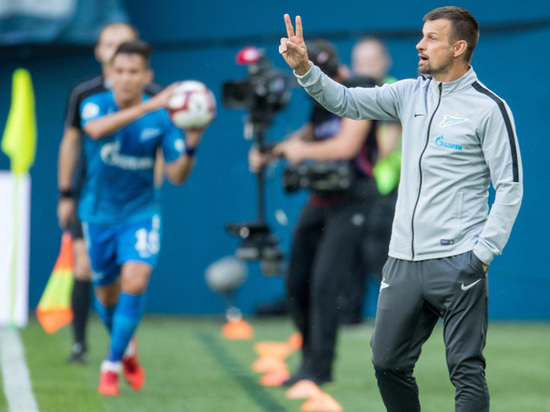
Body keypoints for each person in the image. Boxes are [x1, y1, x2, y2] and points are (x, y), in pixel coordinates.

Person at [279, 7, 522, 411]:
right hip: (403, 262)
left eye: (431, 38)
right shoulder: (409, 93)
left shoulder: (489, 108)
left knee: (465, 370)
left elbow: (510, 187)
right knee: (387, 363)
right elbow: (345, 101)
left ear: (459, 47)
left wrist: (482, 254)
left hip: (459, 261)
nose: (419, 45)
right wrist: (305, 69)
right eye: (421, 36)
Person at [75, 40, 206, 395]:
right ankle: (127, 350)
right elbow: (95, 131)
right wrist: (150, 104)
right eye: (119, 71)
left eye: (133, 72)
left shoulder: (163, 119)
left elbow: (177, 176)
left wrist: (191, 144)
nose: (125, 79)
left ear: (147, 76)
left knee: (135, 281)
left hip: (141, 212)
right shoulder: (94, 105)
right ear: (109, 74)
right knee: (106, 295)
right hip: (98, 214)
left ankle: (110, 365)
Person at [250, 39, 379, 387]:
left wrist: (300, 150)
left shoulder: (358, 93)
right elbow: (303, 137)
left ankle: (320, 368)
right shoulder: (319, 106)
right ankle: (308, 359)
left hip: (353, 200)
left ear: (340, 72)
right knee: (296, 281)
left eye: (328, 74)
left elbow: (346, 145)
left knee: (325, 284)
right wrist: (270, 152)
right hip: (321, 201)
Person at [58, 22, 162, 364]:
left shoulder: (153, 94)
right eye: (110, 43)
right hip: (92, 197)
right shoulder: (85, 93)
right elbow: (72, 140)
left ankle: (118, 348)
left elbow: (163, 144)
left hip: (135, 202)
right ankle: (80, 344)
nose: (117, 48)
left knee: (131, 277)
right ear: (99, 51)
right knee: (84, 267)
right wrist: (65, 193)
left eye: (124, 42)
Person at [339, 37, 402, 325]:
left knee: (380, 254)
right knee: (349, 251)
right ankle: (349, 315)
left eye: (371, 60)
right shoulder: (350, 92)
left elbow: (386, 146)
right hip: (355, 187)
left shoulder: (394, 91)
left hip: (384, 187)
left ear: (385, 61)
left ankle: (400, 316)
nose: (364, 67)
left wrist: (348, 146)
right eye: (359, 61)